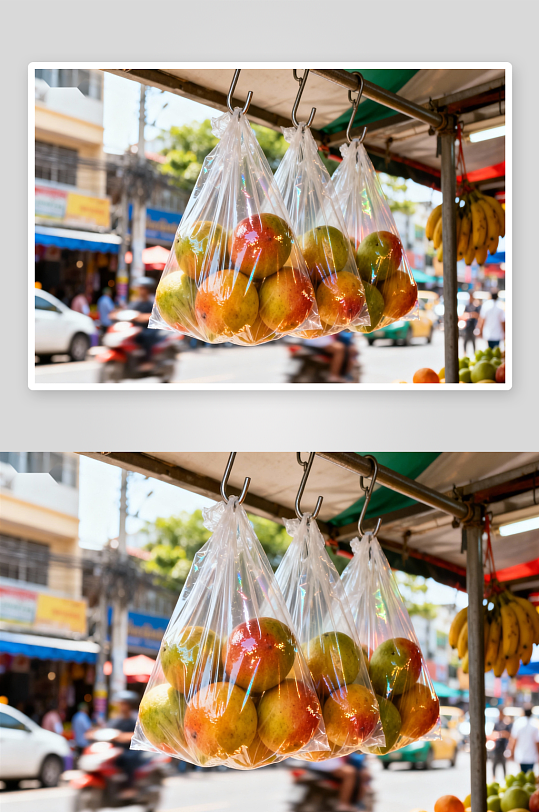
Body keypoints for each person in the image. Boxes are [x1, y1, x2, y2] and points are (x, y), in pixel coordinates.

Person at [124, 278, 161, 370]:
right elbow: (128, 312)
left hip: (150, 328)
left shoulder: (153, 301)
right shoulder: (136, 302)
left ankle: (148, 361)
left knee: (146, 336)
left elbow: (155, 315)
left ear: (147, 289)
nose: (140, 291)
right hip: (137, 328)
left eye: (142, 288)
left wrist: (140, 317)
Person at [509, 708, 539, 773]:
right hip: (531, 755)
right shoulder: (535, 723)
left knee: (523, 774)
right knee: (529, 775)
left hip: (521, 755)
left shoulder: (518, 723)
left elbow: (514, 740)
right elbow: (537, 742)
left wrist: (511, 752)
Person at [490, 712, 512, 779]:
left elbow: (509, 735)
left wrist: (503, 734)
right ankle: (494, 777)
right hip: (497, 747)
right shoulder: (496, 724)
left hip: (503, 748)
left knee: (503, 764)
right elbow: (492, 734)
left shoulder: (506, 725)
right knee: (494, 764)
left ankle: (505, 778)